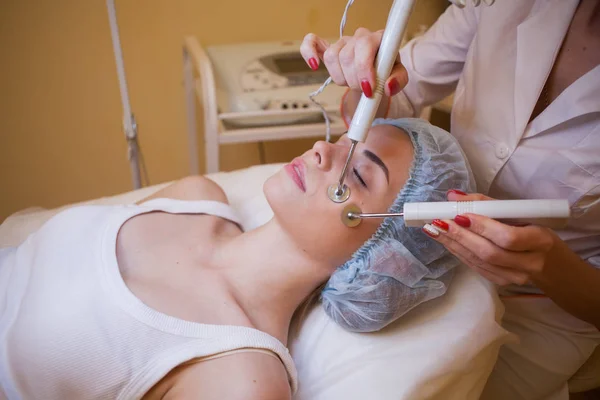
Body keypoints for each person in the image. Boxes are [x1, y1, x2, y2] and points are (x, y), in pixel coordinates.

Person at [0, 119, 473, 399]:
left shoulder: (241, 377)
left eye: (361, 176)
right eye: (345, 142)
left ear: (384, 259)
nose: (322, 150)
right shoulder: (194, 197)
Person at [300, 0, 600, 399]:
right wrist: (367, 81)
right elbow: (396, 98)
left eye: (358, 175)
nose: (320, 150)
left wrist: (550, 265)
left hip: (549, 308)